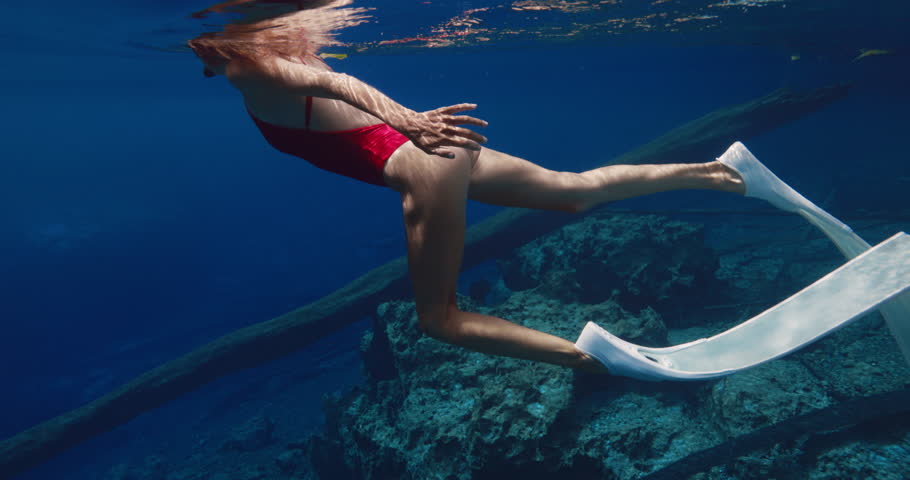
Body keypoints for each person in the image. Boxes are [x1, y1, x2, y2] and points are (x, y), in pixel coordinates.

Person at [187, 3, 745, 374]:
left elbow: (336, 81)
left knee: (440, 321)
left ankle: (600, 363)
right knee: (575, 191)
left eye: (199, 43)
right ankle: (719, 173)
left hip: (424, 159)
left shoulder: (248, 68)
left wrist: (410, 122)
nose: (194, 53)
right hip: (443, 151)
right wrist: (417, 129)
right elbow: (328, 82)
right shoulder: (276, 53)